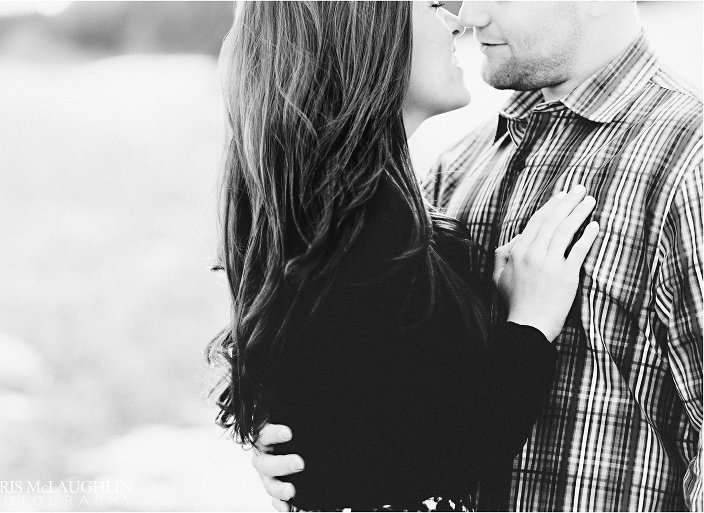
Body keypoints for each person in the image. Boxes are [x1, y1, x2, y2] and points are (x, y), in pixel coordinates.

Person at [255, 1, 703, 511]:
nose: (470, 15)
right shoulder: (456, 170)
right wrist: (321, 457)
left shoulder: (690, 162)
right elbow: (393, 407)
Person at [207, 1, 600, 511]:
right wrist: (530, 323)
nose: (460, 20)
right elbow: (438, 449)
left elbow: (365, 416)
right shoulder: (363, 227)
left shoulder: (334, 209)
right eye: (433, 6)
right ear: (364, 34)